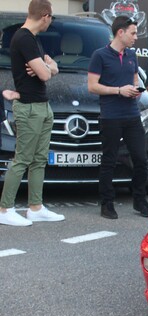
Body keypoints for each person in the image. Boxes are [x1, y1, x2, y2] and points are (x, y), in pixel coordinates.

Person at [0, 0, 65, 227]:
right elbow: (47, 74)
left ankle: (35, 208)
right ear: (45, 15)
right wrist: (46, 68)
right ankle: (4, 209)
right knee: (23, 159)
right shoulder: (24, 38)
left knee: (38, 160)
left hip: (42, 105)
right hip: (28, 107)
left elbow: (51, 68)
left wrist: (47, 67)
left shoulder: (33, 39)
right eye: (52, 17)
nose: (51, 21)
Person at [88, 15, 148, 219]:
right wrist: (118, 90)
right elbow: (92, 86)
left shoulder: (132, 55)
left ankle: (139, 200)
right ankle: (107, 203)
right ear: (120, 32)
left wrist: (136, 90)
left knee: (141, 159)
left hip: (132, 115)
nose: (135, 37)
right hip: (111, 116)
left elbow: (134, 80)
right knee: (109, 160)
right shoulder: (100, 55)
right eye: (133, 33)